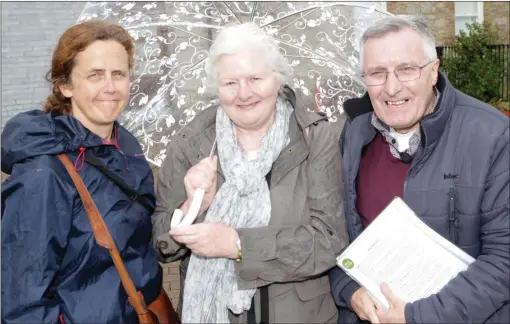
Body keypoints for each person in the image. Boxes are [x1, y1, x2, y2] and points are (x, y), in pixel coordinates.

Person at [152, 22, 349, 323]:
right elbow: (162, 244)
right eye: (230, 83)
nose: (243, 94)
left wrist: (238, 245)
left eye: (255, 78)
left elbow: (329, 240)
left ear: (278, 79)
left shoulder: (313, 137)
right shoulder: (192, 142)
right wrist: (193, 206)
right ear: (216, 86)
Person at [329, 15, 509, 324]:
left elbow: (504, 259)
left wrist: (417, 316)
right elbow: (335, 234)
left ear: (433, 71)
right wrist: (349, 289)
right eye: (377, 73)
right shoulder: (354, 135)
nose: (391, 87)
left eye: (406, 69)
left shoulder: (493, 136)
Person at [1, 21, 169, 323]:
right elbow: (24, 304)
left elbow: (137, 244)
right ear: (66, 86)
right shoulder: (44, 172)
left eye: (118, 74)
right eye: (95, 75)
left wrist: (190, 203)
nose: (110, 87)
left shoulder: (129, 151)